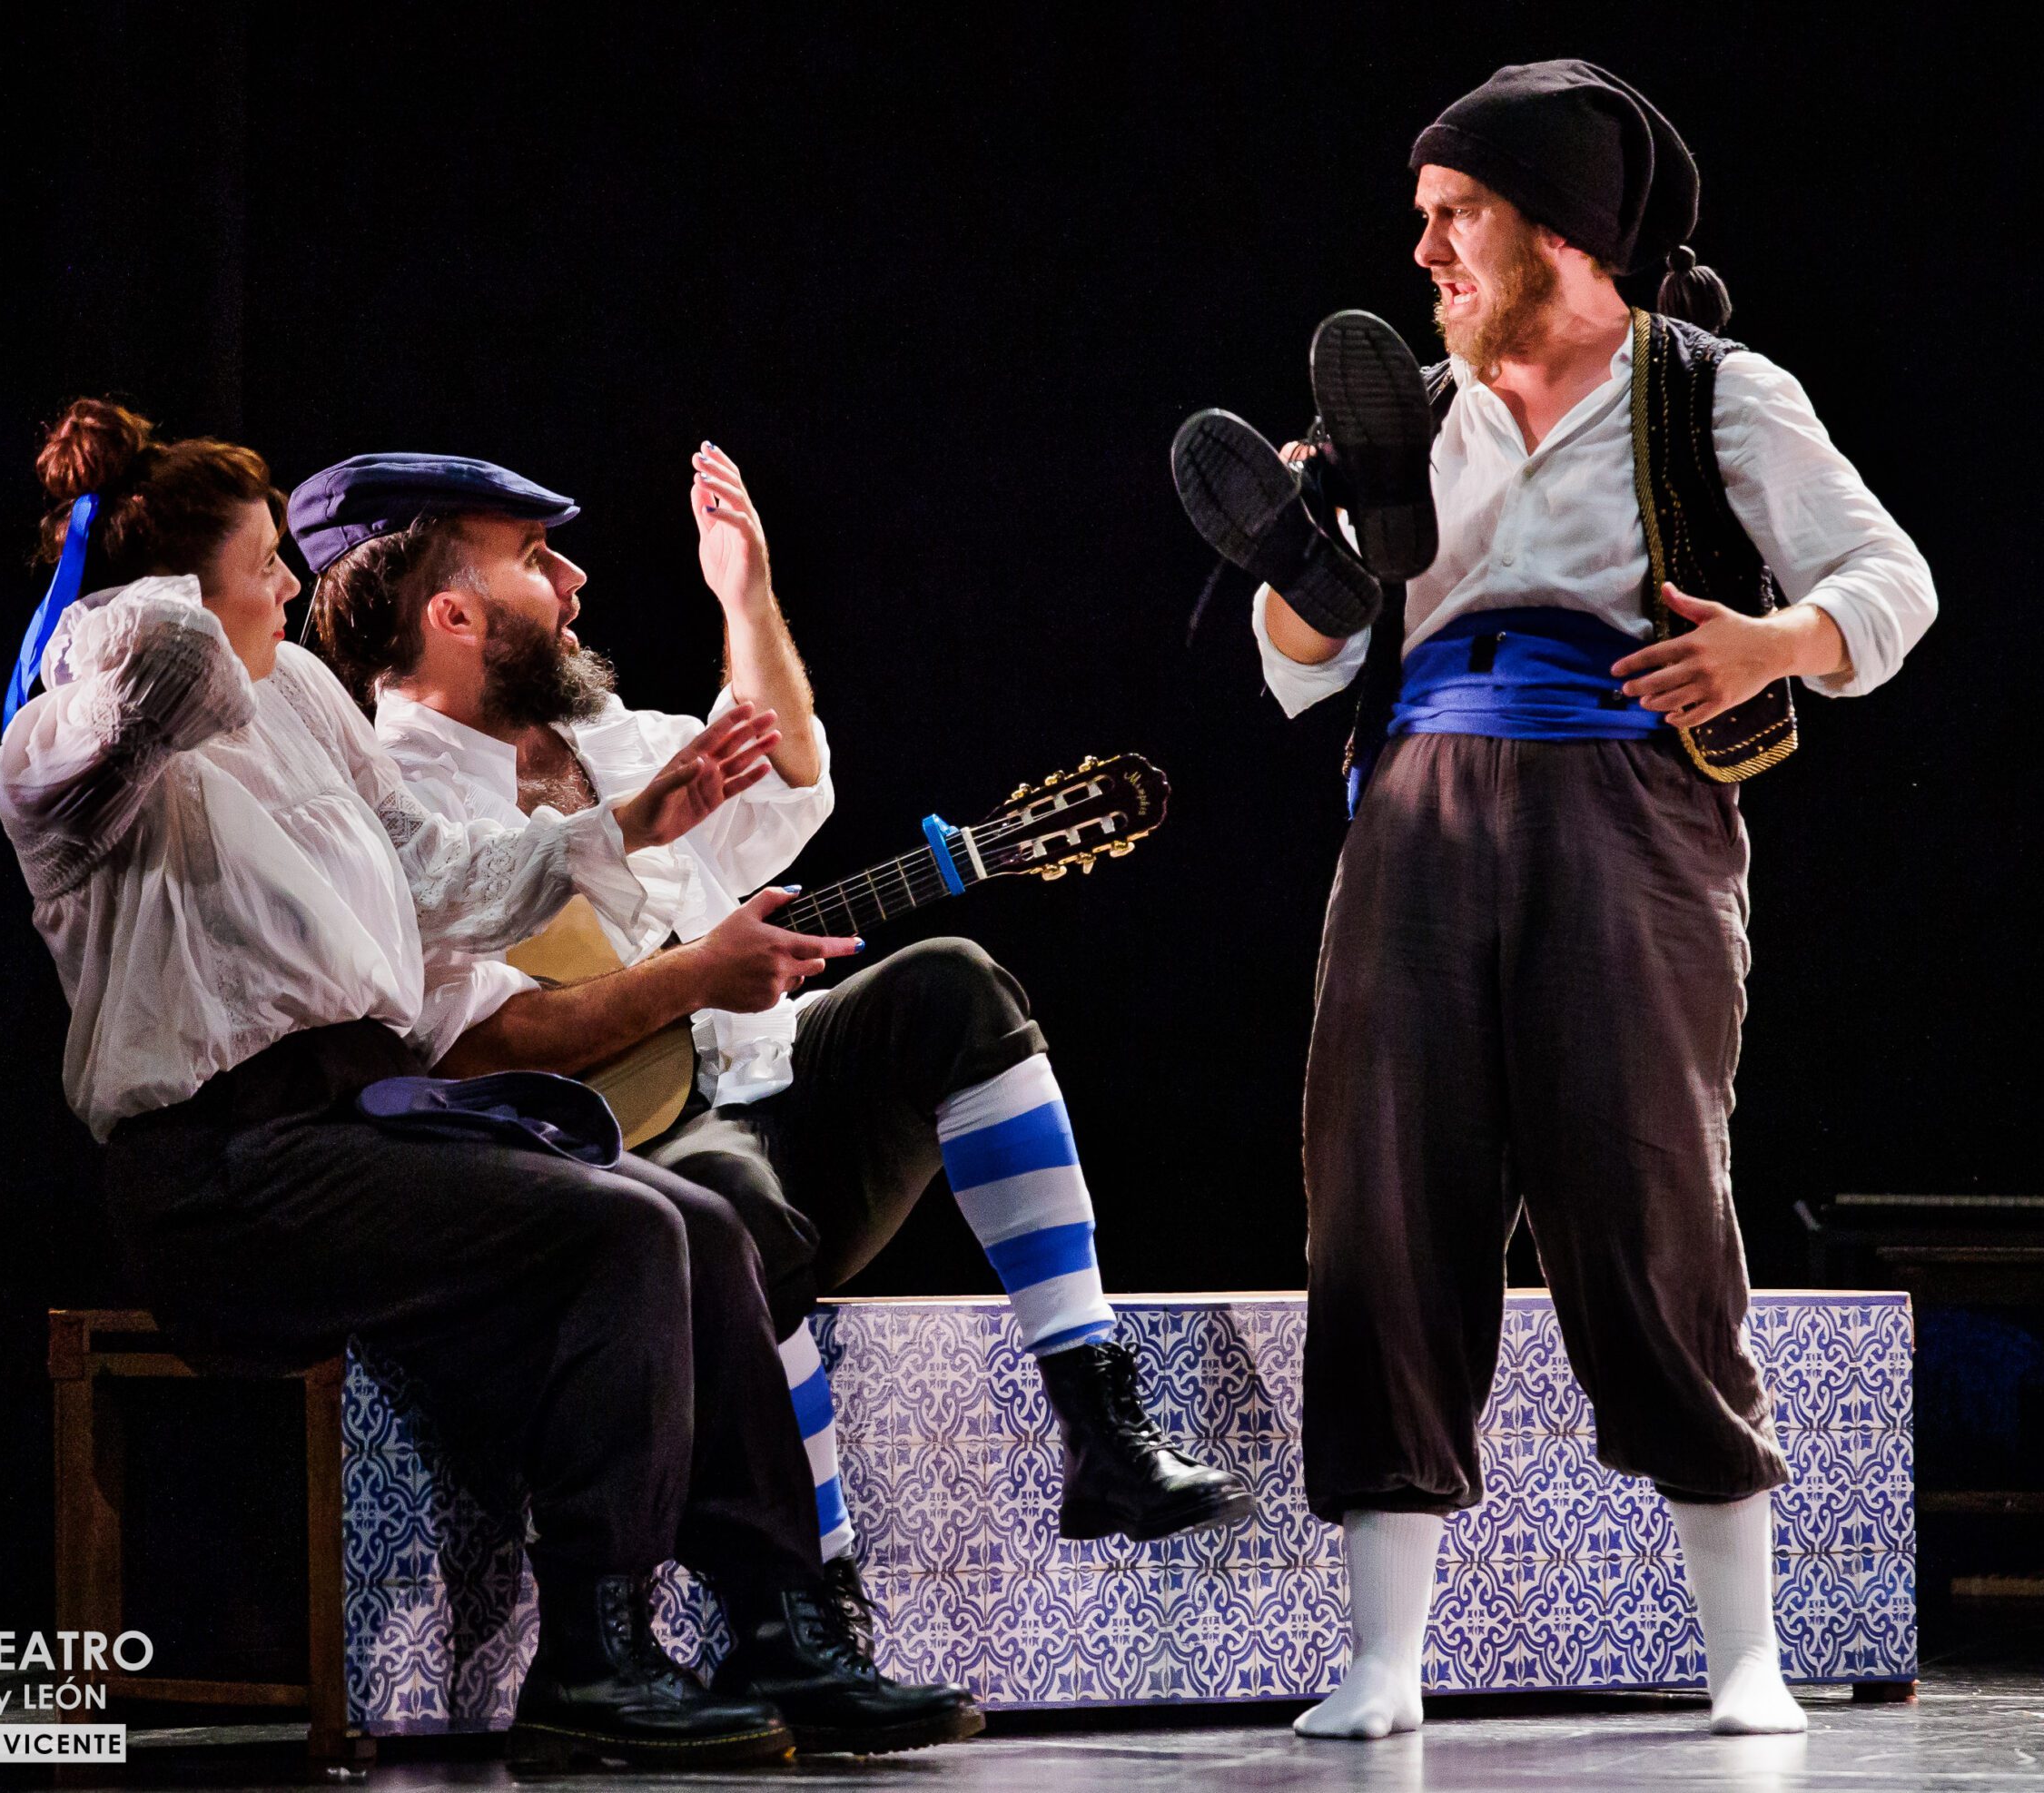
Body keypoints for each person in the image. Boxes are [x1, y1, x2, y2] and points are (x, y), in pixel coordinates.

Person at [0, 400, 981, 1764]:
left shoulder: (301, 700)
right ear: (175, 587)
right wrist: (119, 566)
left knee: (695, 1221)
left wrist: (624, 825)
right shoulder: (65, 745)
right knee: (619, 1227)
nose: (290, 586)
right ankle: (594, 1654)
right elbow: (169, 662)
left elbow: (435, 874)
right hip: (224, 1168)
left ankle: (781, 1623)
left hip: (357, 1121)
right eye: (264, 562)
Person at [1181, 62, 1937, 1739]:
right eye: (1424, 216)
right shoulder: (1414, 415)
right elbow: (1302, 676)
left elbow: (1894, 580)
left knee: (1650, 1197)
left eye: (1460, 215)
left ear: (1563, 230)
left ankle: (1743, 1652)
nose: (1426, 249)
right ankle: (1385, 1659)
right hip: (1421, 805)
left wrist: (1774, 643)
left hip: (1629, 805)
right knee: (1382, 1204)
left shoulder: (1711, 392)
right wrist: (1308, 580)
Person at [294, 443, 1257, 1600]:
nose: (575, 579)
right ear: (453, 613)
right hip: (634, 1158)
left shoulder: (599, 734)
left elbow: (788, 781)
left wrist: (744, 596)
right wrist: (697, 977)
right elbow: (474, 1047)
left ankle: (1099, 1421)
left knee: (954, 983)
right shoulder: (397, 805)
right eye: (536, 558)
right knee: (732, 1203)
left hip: (779, 1080)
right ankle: (823, 1591)